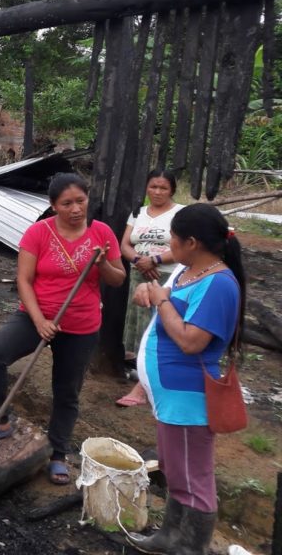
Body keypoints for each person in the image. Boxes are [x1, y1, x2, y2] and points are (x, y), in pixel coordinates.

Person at [0, 173, 125, 485]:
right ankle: (0, 420)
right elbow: (24, 280)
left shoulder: (102, 233)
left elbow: (118, 279)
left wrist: (102, 264)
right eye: (66, 203)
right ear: (53, 205)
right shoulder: (38, 233)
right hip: (37, 316)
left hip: (81, 324)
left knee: (66, 391)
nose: (75, 209)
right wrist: (40, 321)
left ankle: (58, 453)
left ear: (89, 198)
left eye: (81, 201)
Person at [130, 204, 243, 555]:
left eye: (174, 240)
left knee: (194, 479)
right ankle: (168, 538)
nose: (169, 246)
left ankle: (190, 548)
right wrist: (153, 294)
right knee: (176, 471)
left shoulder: (219, 283)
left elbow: (191, 341)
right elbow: (172, 304)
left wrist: (160, 299)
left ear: (192, 242)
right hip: (171, 397)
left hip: (189, 397)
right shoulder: (189, 270)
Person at [116, 169, 183, 408]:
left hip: (165, 278)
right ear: (146, 187)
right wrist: (138, 261)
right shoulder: (139, 213)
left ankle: (145, 386)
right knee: (138, 327)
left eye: (163, 188)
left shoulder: (180, 214)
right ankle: (142, 372)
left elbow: (184, 248)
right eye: (153, 186)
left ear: (172, 190)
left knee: (159, 328)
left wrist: (154, 261)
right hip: (138, 276)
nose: (157, 192)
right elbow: (124, 244)